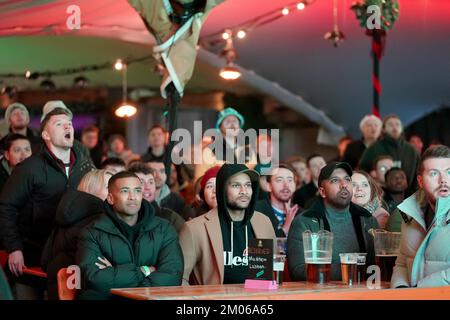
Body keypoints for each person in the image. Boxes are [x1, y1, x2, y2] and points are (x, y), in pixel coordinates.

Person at [0, 100, 94, 299]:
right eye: (59, 123)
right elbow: (6, 207)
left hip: (71, 256)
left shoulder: (85, 167)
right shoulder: (29, 168)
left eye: (68, 122)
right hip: (32, 253)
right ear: (46, 135)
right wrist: (14, 248)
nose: (67, 125)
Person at [75, 171, 183, 299]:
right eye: (125, 191)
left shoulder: (164, 228)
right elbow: (94, 279)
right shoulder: (92, 232)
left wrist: (116, 273)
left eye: (137, 190)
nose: (133, 196)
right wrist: (144, 271)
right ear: (110, 198)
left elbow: (172, 275)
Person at [179, 163, 276, 285]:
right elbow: (180, 278)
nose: (244, 191)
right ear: (222, 189)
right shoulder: (194, 229)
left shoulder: (263, 222)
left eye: (248, 185)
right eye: (236, 185)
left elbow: (271, 273)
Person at [287, 162, 378, 281]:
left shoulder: (367, 219)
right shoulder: (305, 222)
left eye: (347, 179)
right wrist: (352, 270)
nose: (344, 184)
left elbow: (377, 267)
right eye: (335, 180)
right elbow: (298, 271)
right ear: (322, 191)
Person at [41, 169, 112, 300]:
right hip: (85, 289)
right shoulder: (98, 218)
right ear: (92, 188)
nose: (114, 191)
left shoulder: (68, 212)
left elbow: (45, 260)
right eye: (109, 187)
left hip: (59, 287)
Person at [391, 145, 450, 288]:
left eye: (449, 172)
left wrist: (418, 291)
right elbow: (402, 262)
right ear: (420, 181)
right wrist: (400, 289)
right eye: (434, 173)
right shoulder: (411, 212)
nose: (443, 180)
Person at [359, 114, 420, 194]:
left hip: (408, 196)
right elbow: (362, 171)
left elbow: (419, 173)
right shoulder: (373, 148)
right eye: (390, 124)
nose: (394, 127)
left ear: (401, 128)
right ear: (383, 129)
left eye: (397, 124)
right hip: (381, 196)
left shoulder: (411, 150)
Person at [128, 162, 185, 232]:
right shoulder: (123, 217)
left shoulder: (170, 218)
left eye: (151, 182)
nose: (147, 187)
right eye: (141, 182)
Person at [255, 163, 299, 237]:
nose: (286, 185)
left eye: (290, 180)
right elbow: (261, 246)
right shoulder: (256, 211)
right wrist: (285, 228)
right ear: (268, 186)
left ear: (295, 186)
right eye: (279, 180)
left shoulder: (302, 214)